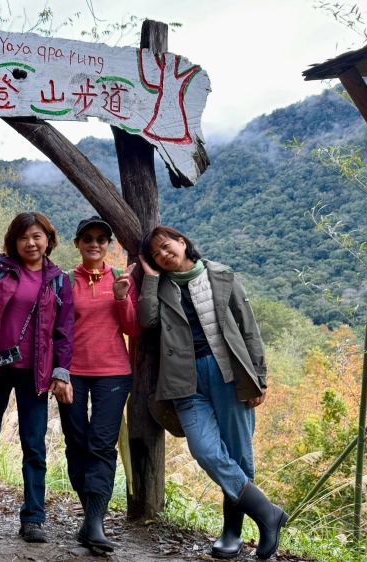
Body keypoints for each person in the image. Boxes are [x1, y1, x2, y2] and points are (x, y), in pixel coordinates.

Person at [138, 226, 286, 560]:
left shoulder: (221, 276)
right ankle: (267, 512)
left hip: (228, 374)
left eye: (166, 247)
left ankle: (232, 532)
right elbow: (147, 321)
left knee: (238, 455)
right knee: (205, 450)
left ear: (182, 242)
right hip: (185, 381)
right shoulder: (160, 287)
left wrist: (259, 376)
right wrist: (148, 277)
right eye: (156, 254)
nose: (163, 255)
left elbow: (249, 329)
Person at [0, 175, 74, 544]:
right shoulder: (0, 268)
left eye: (37, 235)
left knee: (34, 444)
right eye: (24, 236)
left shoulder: (58, 281)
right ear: (15, 241)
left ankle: (33, 517)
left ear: (48, 240)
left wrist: (61, 372)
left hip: (35, 375)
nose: (31, 242)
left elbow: (64, 332)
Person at [58, 216, 140, 553]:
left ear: (109, 245)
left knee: (102, 445)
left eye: (102, 239)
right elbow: (56, 332)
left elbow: (133, 330)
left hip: (113, 373)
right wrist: (58, 373)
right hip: (73, 371)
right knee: (77, 443)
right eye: (88, 238)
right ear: (77, 243)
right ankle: (90, 517)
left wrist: (122, 298)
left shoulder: (121, 279)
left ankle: (94, 522)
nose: (95, 244)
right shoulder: (64, 282)